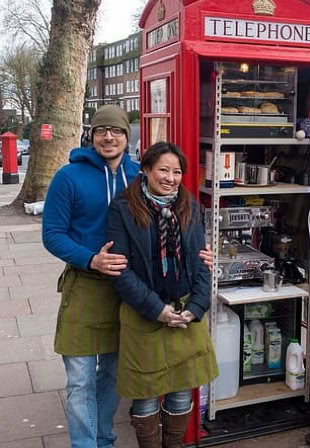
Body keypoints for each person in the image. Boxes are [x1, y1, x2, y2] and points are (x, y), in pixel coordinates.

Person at [43, 105, 213, 448]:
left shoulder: (140, 174)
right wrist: (92, 260)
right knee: (79, 379)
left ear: (127, 136)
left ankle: (104, 438)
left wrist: (199, 253)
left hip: (130, 292)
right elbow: (52, 234)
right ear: (91, 135)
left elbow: (174, 219)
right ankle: (85, 444)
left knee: (110, 375)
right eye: (101, 130)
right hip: (87, 286)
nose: (109, 137)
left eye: (117, 131)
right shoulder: (68, 177)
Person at [107, 142, 218, 448]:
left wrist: (196, 306)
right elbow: (121, 270)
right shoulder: (124, 208)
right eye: (163, 170)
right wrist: (157, 309)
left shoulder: (190, 205)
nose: (170, 178)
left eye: (177, 171)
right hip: (145, 313)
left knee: (182, 392)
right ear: (146, 170)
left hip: (185, 312)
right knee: (145, 397)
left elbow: (201, 261)